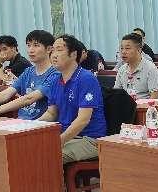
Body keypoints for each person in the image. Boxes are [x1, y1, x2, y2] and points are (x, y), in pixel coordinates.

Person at [38, 35, 108, 163]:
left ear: (73, 54)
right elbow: (51, 113)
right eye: (52, 50)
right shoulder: (55, 80)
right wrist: (31, 125)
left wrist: (59, 140)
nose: (54, 55)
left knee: (47, 156)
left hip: (89, 139)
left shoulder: (86, 78)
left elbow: (83, 120)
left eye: (59, 50)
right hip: (66, 136)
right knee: (30, 149)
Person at [0, 30, 60, 119]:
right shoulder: (28, 72)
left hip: (39, 123)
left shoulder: (55, 74)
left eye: (36, 45)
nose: (30, 50)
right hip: (20, 121)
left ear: (49, 49)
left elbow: (28, 99)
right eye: (28, 45)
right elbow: (6, 94)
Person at [114, 32, 158, 100]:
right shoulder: (122, 69)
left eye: (127, 48)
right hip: (125, 105)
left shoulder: (150, 68)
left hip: (144, 106)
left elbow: (155, 97)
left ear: (139, 50)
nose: (123, 52)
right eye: (121, 48)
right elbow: (116, 94)